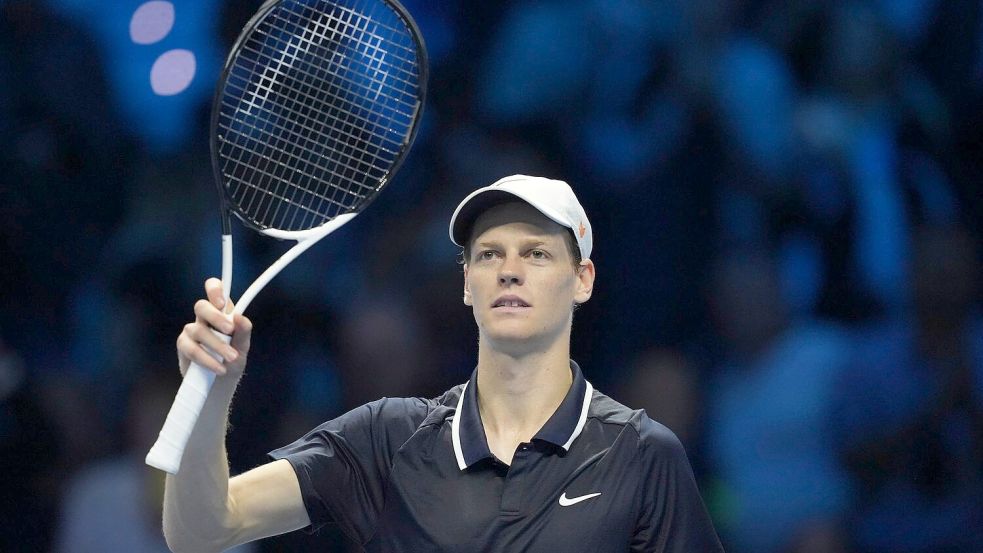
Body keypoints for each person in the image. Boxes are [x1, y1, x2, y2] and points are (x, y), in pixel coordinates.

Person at [161, 175, 723, 552]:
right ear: (466, 285)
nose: (509, 270)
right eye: (488, 255)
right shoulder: (386, 438)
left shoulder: (643, 456)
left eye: (536, 253)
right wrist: (211, 395)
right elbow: (202, 530)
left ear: (582, 280)